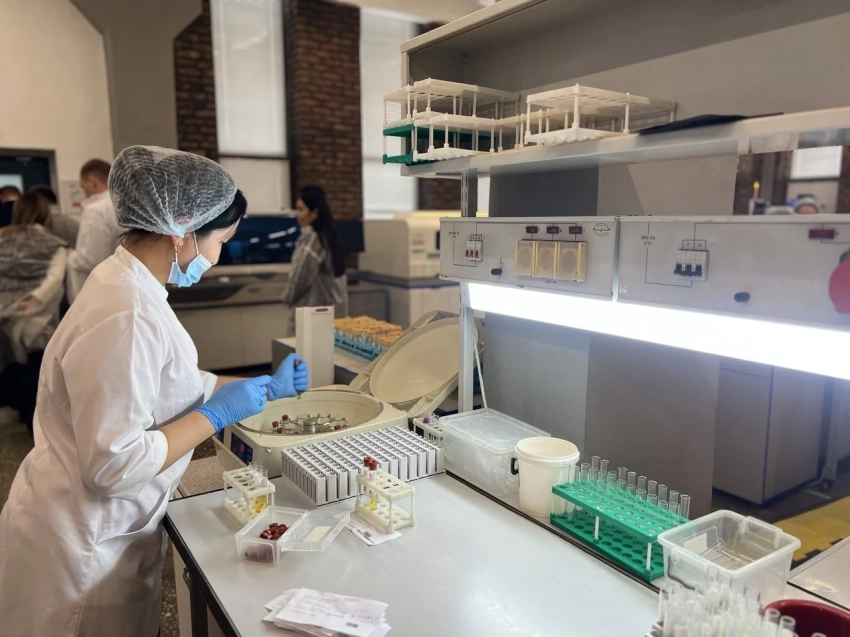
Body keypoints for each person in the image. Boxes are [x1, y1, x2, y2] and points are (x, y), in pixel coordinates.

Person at [0, 146, 309, 637]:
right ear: (182, 230)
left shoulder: (128, 283)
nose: (216, 256)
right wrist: (215, 415)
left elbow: (169, 383)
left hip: (101, 528)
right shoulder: (126, 312)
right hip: (82, 544)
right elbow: (113, 465)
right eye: (220, 240)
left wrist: (263, 386)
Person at [0, 193, 68, 431]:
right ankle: (35, 424)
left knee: (11, 366)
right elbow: (54, 280)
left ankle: (17, 410)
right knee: (36, 371)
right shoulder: (54, 243)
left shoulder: (3, 238)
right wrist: (33, 302)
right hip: (37, 319)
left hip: (4, 315)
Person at [282, 186, 348, 321]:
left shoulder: (312, 240)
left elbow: (301, 276)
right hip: (334, 311)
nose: (297, 214)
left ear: (314, 213)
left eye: (301, 210)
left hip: (314, 315)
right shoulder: (329, 236)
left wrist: (287, 298)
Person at [65, 159, 123, 301]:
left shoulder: (96, 210)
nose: (83, 191)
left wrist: (70, 255)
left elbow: (90, 260)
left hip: (101, 292)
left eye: (83, 186)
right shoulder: (124, 205)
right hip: (124, 285)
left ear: (93, 182)